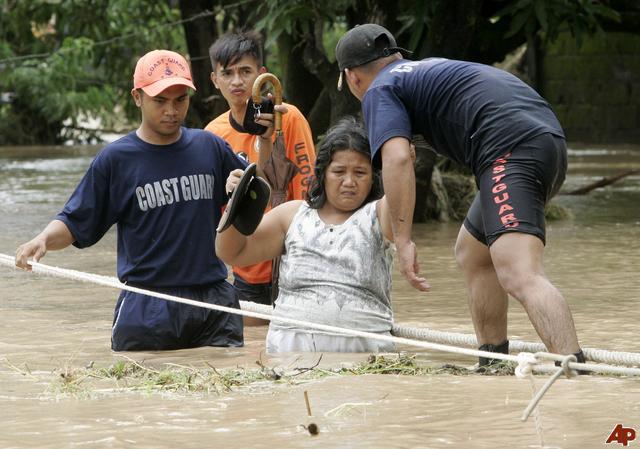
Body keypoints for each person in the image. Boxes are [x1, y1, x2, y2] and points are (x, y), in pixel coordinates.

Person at [334, 23, 585, 367]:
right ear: (393, 56)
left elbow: (397, 158)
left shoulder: (381, 89)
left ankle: (574, 372)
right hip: (545, 143)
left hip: (511, 151)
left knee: (519, 272)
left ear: (351, 78)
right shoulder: (421, 71)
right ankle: (492, 362)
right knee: (473, 251)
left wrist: (403, 240)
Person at [14, 49, 280, 352]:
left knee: (226, 389)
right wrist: (43, 240)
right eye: (160, 101)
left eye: (180, 99)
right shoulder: (116, 160)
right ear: (137, 97)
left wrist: (264, 145)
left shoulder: (209, 146)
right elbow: (76, 221)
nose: (171, 110)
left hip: (213, 302)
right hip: (148, 305)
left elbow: (256, 195)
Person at [216, 117, 395, 353]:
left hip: (367, 355)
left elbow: (400, 181)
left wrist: (400, 158)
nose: (349, 182)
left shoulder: (383, 214)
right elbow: (231, 252)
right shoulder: (292, 215)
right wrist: (237, 202)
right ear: (322, 173)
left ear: (374, 177)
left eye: (360, 172)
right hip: (290, 355)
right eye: (339, 171)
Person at [205, 30, 316, 325]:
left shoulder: (287, 118)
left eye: (245, 71)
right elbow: (214, 214)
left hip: (296, 263)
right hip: (247, 268)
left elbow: (308, 187)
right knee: (252, 354)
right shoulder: (212, 135)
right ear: (214, 80)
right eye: (227, 73)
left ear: (261, 75)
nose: (237, 81)